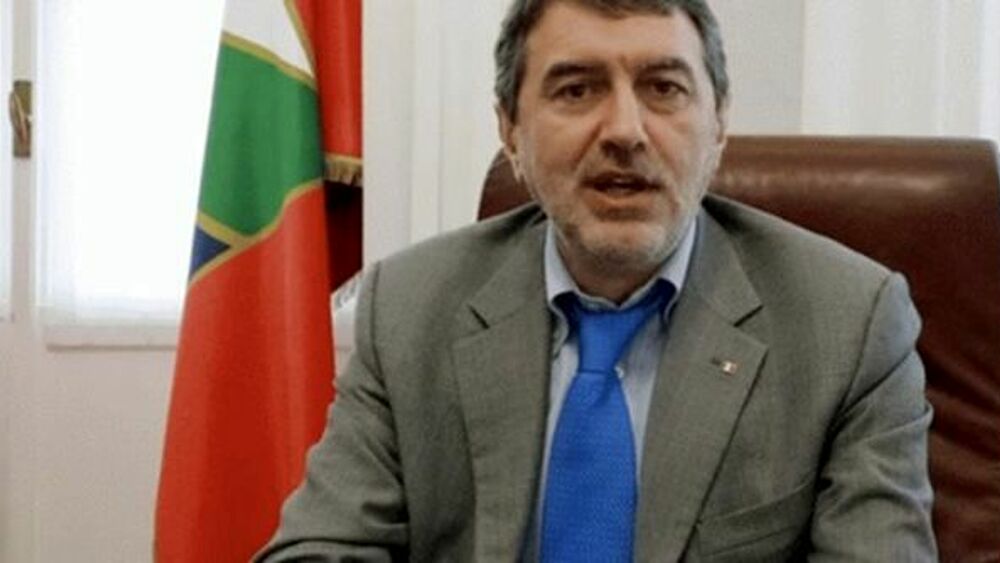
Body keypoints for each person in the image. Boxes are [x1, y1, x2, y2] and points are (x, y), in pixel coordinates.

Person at [256, 0, 937, 560]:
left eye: (664, 88)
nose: (625, 131)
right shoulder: (410, 309)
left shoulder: (850, 327)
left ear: (719, 123)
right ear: (510, 130)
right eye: (576, 89)